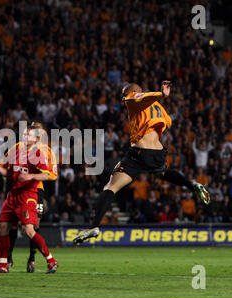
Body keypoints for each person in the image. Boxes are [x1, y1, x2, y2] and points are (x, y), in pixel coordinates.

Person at [73, 80, 211, 245]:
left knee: (111, 187)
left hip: (140, 151)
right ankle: (191, 184)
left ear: (132, 91)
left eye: (124, 94)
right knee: (161, 173)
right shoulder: (159, 107)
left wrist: (161, 94)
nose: (123, 99)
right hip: (158, 152)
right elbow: (168, 122)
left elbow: (138, 99)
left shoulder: (134, 99)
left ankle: (94, 226)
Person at [0, 120, 58, 273]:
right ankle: (3, 264)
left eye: (29, 135)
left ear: (36, 139)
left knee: (29, 230)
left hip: (28, 195)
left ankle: (50, 260)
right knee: (3, 227)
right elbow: (9, 172)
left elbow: (47, 174)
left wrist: (30, 176)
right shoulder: (17, 150)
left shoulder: (39, 153)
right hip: (13, 195)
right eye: (24, 133)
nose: (25, 136)